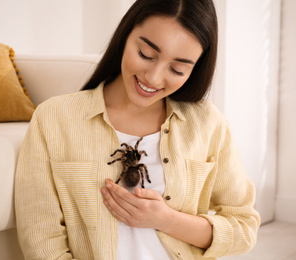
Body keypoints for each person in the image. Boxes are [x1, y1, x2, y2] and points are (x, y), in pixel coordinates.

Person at [15, 0, 261, 259]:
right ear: (125, 35)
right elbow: (41, 239)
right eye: (145, 54)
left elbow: (244, 227)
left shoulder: (208, 124)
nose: (153, 78)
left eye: (177, 69)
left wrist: (167, 220)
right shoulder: (54, 119)